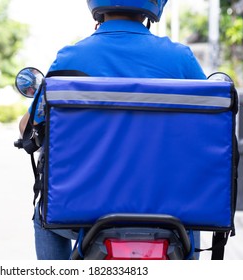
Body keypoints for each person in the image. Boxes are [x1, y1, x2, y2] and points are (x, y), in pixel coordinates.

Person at [19, 0, 206, 260]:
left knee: (44, 216)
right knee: (189, 219)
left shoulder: (71, 57)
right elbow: (209, 125)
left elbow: (28, 127)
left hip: (85, 206)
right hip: (166, 203)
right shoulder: (180, 58)